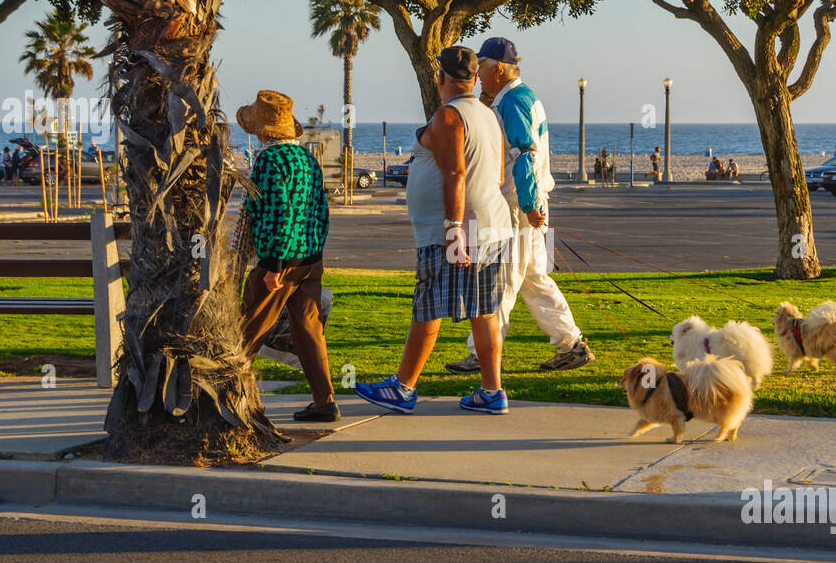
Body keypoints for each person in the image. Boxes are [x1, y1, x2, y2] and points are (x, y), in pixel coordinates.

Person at [355, 46, 513, 415]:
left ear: (439, 77)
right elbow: (499, 173)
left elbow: (456, 173)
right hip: (491, 226)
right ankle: (492, 391)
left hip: (454, 233)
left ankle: (404, 388)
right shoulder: (489, 115)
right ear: (475, 80)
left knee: (428, 307)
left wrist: (454, 229)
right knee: (484, 312)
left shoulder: (448, 116)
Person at [445, 36, 595, 376]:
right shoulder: (523, 98)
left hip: (518, 204)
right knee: (532, 276)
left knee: (504, 278)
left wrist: (527, 203)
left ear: (497, 67)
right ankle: (571, 344)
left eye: (481, 66)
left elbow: (523, 154)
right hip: (532, 201)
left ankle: (483, 353)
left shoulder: (512, 102)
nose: (477, 74)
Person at [236, 90, 339, 422]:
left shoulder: (268, 160)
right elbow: (320, 211)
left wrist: (272, 266)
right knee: (308, 331)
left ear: (263, 130)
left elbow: (276, 212)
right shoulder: (308, 159)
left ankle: (226, 396)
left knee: (247, 330)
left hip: (280, 264)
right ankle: (324, 401)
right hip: (310, 259)